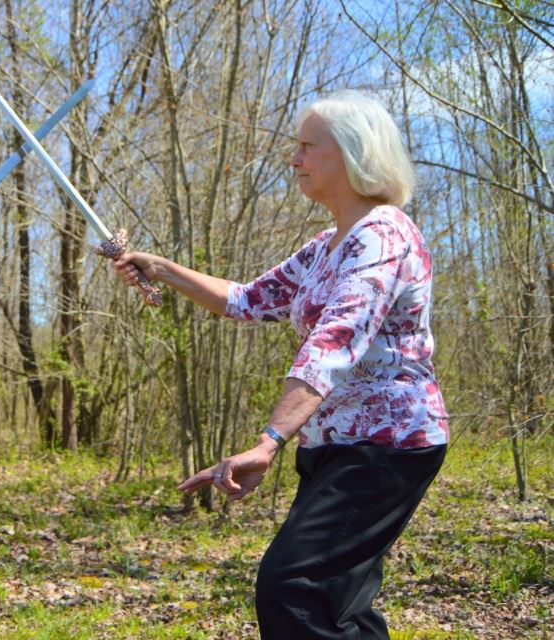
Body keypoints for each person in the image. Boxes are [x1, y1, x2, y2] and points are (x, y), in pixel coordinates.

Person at [111, 91, 449, 639]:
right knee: (340, 605)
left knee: (292, 587)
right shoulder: (326, 245)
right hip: (332, 443)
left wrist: (268, 441)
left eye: (307, 146)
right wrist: (163, 268)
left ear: (352, 153)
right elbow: (246, 299)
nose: (294, 158)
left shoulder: (384, 235)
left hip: (387, 447)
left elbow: (334, 342)